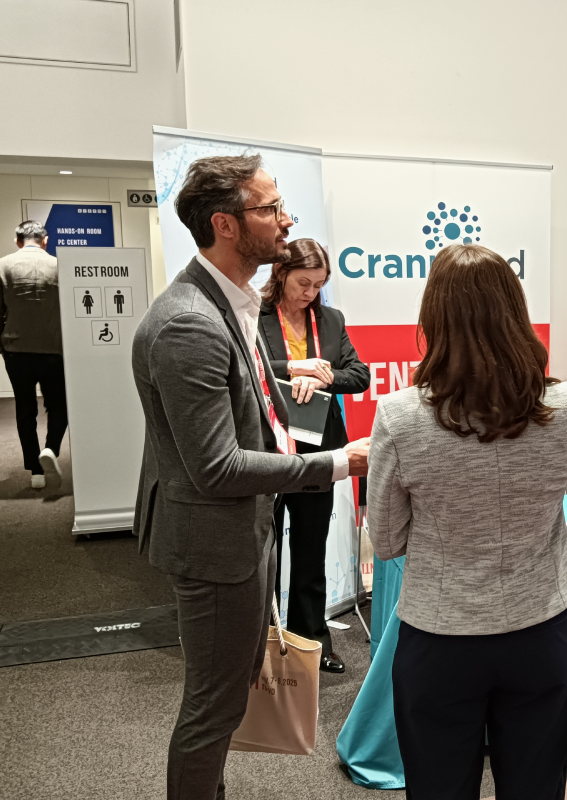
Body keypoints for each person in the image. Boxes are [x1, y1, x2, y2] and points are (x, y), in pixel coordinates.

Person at [131, 154, 370, 800]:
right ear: (225, 224)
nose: (286, 220)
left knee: (226, 696)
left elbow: (249, 412)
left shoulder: (228, 304)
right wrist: (339, 463)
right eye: (271, 208)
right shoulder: (189, 321)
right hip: (215, 542)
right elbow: (217, 466)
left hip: (239, 530)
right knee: (213, 707)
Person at [367, 244, 567, 800]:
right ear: (516, 312)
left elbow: (387, 541)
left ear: (432, 321)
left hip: (441, 639)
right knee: (537, 787)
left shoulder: (399, 416)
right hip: (542, 628)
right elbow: (565, 484)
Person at [259, 238, 371, 673]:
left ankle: (312, 642)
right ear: (281, 273)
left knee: (310, 549)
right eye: (303, 283)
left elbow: (358, 374)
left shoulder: (330, 319)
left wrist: (324, 378)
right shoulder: (254, 315)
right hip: (268, 449)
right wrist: (293, 369)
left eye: (319, 284)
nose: (310, 292)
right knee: (264, 552)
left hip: (320, 450)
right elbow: (247, 368)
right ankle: (264, 644)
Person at [0, 221, 67, 489]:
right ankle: (51, 449)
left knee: (25, 408)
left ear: (17, 241)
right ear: (45, 240)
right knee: (59, 405)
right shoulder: (60, 265)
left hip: (16, 350)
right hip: (54, 349)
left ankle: (35, 472)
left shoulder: (0, 266)